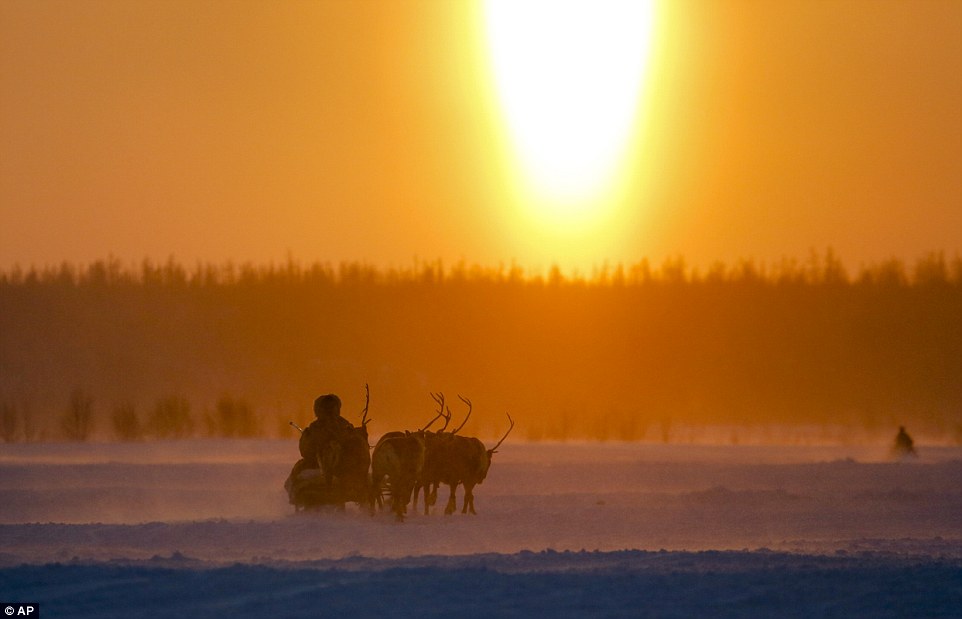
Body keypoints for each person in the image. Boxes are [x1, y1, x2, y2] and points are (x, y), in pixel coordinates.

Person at [299, 393, 355, 467]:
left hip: (341, 466)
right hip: (340, 466)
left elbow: (305, 451)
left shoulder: (315, 427)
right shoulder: (345, 424)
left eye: (331, 407)